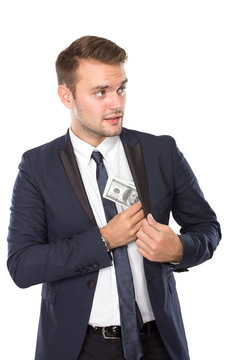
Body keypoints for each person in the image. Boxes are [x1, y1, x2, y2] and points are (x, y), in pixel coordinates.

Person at [7, 35, 221, 360]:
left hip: (158, 342)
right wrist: (105, 239)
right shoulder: (37, 166)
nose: (116, 103)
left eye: (121, 88)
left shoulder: (161, 152)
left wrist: (180, 249)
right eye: (100, 92)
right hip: (78, 347)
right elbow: (22, 265)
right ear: (67, 96)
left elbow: (207, 227)